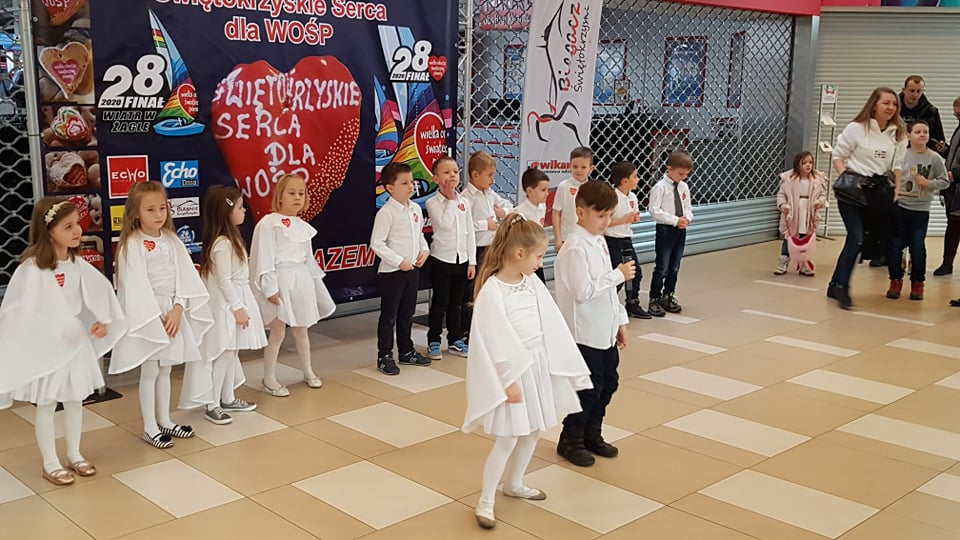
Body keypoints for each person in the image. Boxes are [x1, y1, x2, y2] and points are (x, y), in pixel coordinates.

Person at [463, 213, 591, 529]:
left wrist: (554, 362)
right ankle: (486, 500)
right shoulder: (493, 290)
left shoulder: (530, 282)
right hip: (513, 373)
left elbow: (549, 321)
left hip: (536, 366)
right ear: (519, 253)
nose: (540, 263)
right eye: (538, 256)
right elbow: (493, 339)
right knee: (508, 437)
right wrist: (507, 380)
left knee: (533, 429)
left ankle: (515, 483)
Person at [0, 199, 126, 485]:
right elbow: (19, 309)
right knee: (47, 404)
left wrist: (99, 320)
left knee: (74, 400)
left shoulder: (77, 264)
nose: (77, 231)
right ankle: (50, 462)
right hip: (48, 347)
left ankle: (74, 453)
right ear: (48, 231)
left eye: (77, 224)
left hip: (73, 347)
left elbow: (94, 295)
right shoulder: (32, 268)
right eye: (68, 227)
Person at [112, 181, 213, 449]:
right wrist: (154, 316)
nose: (158, 214)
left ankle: (165, 420)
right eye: (150, 210)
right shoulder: (132, 244)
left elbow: (185, 276)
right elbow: (134, 285)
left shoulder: (172, 240)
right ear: (135, 213)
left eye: (162, 208)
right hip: (149, 314)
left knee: (166, 368)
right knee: (150, 369)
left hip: (172, 312)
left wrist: (178, 308)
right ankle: (149, 426)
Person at [554, 181, 635, 467]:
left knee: (608, 383)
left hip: (604, 329)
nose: (606, 222)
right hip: (585, 333)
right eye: (601, 216)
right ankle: (571, 439)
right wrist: (618, 275)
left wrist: (619, 320)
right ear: (580, 212)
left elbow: (609, 293)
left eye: (610, 215)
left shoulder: (598, 240)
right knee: (588, 389)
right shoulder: (575, 247)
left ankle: (592, 433)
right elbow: (583, 292)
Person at [250, 174, 336, 395]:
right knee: (278, 332)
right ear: (280, 196)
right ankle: (269, 377)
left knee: (301, 330)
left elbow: (308, 259)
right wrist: (270, 289)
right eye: (291, 193)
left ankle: (308, 371)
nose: (297, 197)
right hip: (280, 280)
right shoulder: (268, 224)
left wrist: (313, 285)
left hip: (300, 280)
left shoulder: (303, 226)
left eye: (301, 193)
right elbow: (264, 259)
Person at [828, 87, 907, 309]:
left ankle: (834, 284)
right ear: (874, 105)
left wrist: (896, 189)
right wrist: (847, 178)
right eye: (886, 103)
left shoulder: (899, 134)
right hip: (852, 194)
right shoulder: (856, 128)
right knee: (856, 238)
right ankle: (842, 288)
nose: (891, 107)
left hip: (878, 194)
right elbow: (838, 156)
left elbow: (897, 166)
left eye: (894, 104)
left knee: (863, 239)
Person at [199, 185, 266, 424]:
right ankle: (212, 403)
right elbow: (224, 281)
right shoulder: (222, 245)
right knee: (225, 352)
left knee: (232, 351)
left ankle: (227, 397)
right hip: (228, 305)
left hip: (236, 299)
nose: (244, 210)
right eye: (239, 207)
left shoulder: (232, 239)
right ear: (226, 212)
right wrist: (238, 308)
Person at [370, 162, 432, 375]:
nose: (411, 186)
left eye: (411, 182)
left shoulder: (415, 209)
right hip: (393, 273)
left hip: (412, 270)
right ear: (390, 188)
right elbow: (377, 243)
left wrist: (425, 250)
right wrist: (398, 261)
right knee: (389, 316)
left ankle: (406, 350)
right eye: (404, 183)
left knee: (407, 313)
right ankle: (384, 355)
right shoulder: (386, 213)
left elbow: (419, 234)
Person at [886, 120, 949, 301]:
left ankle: (918, 283)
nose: (922, 135)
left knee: (917, 247)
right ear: (908, 135)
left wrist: (928, 183)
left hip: (921, 210)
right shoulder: (900, 155)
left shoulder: (934, 158)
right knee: (895, 245)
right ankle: (895, 280)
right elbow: (888, 174)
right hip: (900, 208)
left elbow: (945, 181)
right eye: (918, 132)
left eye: (925, 132)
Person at [425, 156, 475, 360]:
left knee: (457, 304)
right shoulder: (432, 202)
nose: (452, 175)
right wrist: (451, 199)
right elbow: (444, 225)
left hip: (461, 260)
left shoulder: (465, 203)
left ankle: (455, 339)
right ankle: (434, 340)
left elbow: (470, 233)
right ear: (436, 179)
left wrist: (472, 261)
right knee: (440, 303)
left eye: (455, 171)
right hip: (441, 260)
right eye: (446, 172)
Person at [461, 151, 513, 339]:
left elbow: (509, 205)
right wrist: (486, 224)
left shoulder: (490, 194)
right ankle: (468, 330)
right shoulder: (466, 197)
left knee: (490, 288)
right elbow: (464, 225)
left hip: (492, 247)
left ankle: (488, 326)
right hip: (476, 249)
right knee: (473, 290)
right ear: (475, 175)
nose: (493, 179)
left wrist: (502, 212)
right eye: (489, 175)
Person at [647, 150, 694, 317]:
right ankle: (654, 298)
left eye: (686, 174)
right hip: (666, 229)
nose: (684, 177)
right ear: (670, 169)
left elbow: (687, 206)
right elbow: (654, 210)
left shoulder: (683, 187)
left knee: (675, 265)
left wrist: (687, 218)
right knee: (662, 266)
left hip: (680, 230)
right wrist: (674, 220)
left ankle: (668, 295)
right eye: (681, 174)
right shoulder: (660, 187)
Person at [604, 161, 650, 318]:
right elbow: (605, 222)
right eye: (635, 176)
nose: (638, 179)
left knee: (635, 272)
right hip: (612, 240)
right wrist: (623, 220)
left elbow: (632, 216)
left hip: (626, 239)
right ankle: (607, 304)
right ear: (625, 181)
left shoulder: (633, 197)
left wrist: (634, 218)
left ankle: (632, 302)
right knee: (617, 274)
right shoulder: (612, 197)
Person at [774, 151, 827, 276]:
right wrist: (783, 205)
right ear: (798, 164)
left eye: (810, 162)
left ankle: (804, 264)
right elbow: (781, 195)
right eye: (804, 163)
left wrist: (819, 202)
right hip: (794, 212)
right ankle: (783, 263)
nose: (808, 165)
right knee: (789, 238)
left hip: (809, 212)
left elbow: (823, 194)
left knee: (806, 239)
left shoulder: (817, 179)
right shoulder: (789, 179)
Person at [933, 96, 960, 277]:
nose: (957, 118)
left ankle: (947, 263)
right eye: (956, 115)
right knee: (953, 226)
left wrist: (956, 174)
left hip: (957, 184)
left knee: (954, 225)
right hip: (953, 188)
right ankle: (947, 263)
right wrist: (946, 150)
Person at [552, 146, 595, 252]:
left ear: (591, 168)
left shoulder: (593, 188)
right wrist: (558, 238)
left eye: (583, 167)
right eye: (575, 166)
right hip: (567, 237)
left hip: (587, 237)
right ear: (570, 166)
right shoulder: (563, 187)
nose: (578, 170)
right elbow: (556, 213)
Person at [900, 75, 948, 158]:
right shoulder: (894, 109)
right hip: (898, 154)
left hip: (922, 156)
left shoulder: (931, 111)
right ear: (904, 90)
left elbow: (937, 138)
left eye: (919, 91)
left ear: (923, 91)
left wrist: (940, 146)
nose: (915, 94)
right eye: (912, 91)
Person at [515, 167, 550, 281]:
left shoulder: (542, 207)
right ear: (529, 191)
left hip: (538, 259)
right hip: (526, 260)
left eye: (548, 190)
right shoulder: (520, 212)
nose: (547, 194)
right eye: (543, 190)